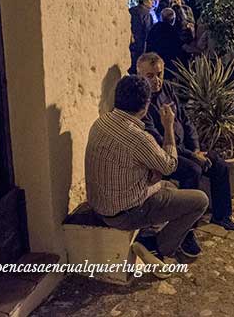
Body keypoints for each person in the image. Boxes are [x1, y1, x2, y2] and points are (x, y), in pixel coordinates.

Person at [85, 75, 209, 274]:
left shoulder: (101, 122)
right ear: (145, 106)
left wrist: (151, 171)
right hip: (123, 214)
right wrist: (169, 125)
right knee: (199, 200)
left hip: (99, 204)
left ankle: (149, 234)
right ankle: (158, 248)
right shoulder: (139, 138)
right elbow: (170, 165)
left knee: (168, 188)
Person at [136, 53, 234, 233]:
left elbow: (186, 121)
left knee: (219, 165)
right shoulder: (142, 103)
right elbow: (156, 140)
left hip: (187, 148)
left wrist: (195, 148)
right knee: (192, 171)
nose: (157, 80)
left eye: (160, 74)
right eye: (150, 76)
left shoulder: (168, 89)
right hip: (166, 154)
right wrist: (192, 155)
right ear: (140, 75)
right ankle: (186, 230)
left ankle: (222, 217)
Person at [145, 8, 184, 79]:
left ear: (161, 17)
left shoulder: (154, 28)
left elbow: (147, 43)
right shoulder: (173, 31)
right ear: (173, 19)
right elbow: (179, 47)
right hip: (169, 65)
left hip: (154, 62)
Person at [129, 0, 156, 73]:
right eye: (151, 0)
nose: (153, 2)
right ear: (144, 1)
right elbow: (148, 30)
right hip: (140, 44)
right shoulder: (146, 14)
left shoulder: (131, 10)